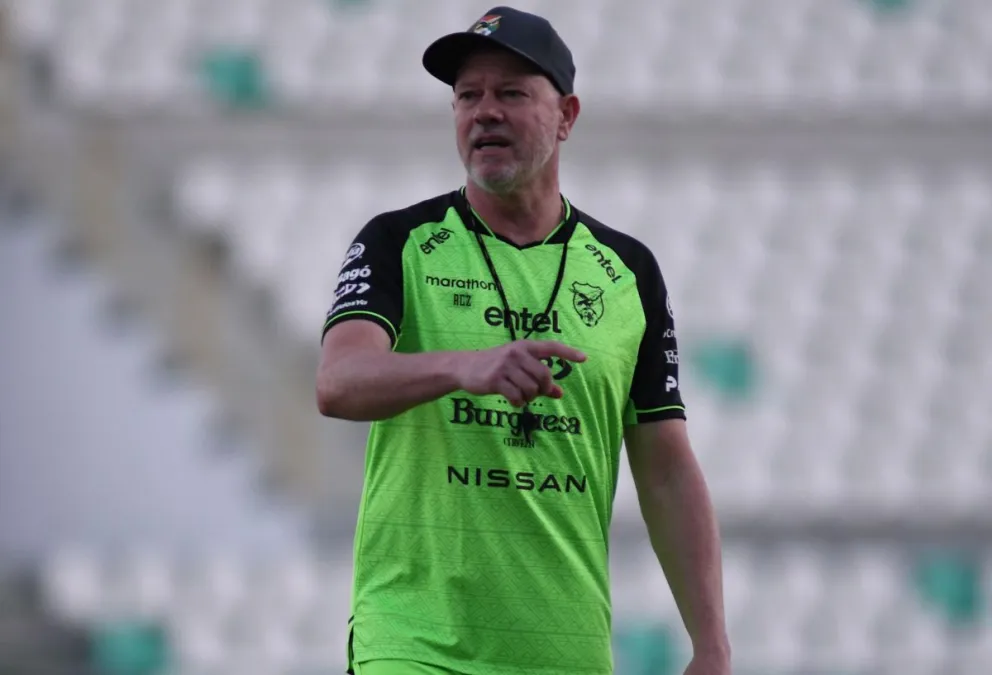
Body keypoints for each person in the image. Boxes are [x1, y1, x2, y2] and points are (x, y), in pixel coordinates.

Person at [317, 6, 730, 675]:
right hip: (415, 645)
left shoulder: (629, 273)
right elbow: (339, 382)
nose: (484, 112)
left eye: (511, 93)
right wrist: (462, 365)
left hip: (565, 652)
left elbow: (665, 465)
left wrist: (711, 641)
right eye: (467, 96)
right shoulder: (399, 241)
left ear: (566, 116)